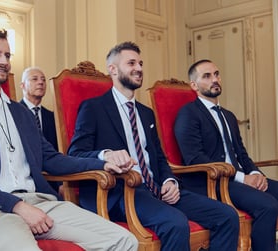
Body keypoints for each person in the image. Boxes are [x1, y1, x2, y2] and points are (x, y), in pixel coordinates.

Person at [0, 28, 138, 251]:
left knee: (125, 240)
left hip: (40, 202)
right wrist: (17, 206)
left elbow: (51, 158)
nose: (4, 61)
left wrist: (102, 162)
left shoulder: (21, 113)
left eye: (7, 55)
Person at [67, 41, 240, 251]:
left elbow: (158, 157)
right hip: (120, 192)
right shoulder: (94, 108)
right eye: (131, 63)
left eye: (140, 63)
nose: (139, 68)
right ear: (113, 69)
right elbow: (75, 154)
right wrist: (106, 155)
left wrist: (169, 181)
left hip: (157, 188)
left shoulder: (146, 112)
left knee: (227, 216)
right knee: (175, 223)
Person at [174, 59, 278, 251]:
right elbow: (194, 158)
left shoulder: (228, 115)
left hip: (237, 179)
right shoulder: (188, 114)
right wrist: (242, 178)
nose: (215, 79)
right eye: (207, 76)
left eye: (216, 74)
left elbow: (242, 154)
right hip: (209, 182)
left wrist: (255, 174)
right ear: (194, 85)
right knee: (268, 205)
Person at [20, 67, 58, 150]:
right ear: (22, 85)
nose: (41, 82)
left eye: (43, 80)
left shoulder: (53, 117)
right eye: (34, 79)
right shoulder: (14, 113)